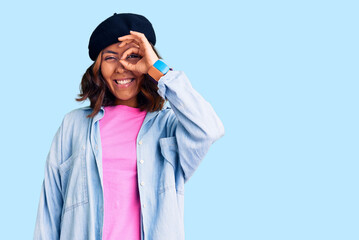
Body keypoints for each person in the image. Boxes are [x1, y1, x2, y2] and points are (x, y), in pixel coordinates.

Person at [34, 13, 224, 240]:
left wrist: (158, 68)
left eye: (133, 56)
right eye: (111, 58)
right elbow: (50, 210)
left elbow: (209, 129)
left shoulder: (167, 126)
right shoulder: (73, 126)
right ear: (97, 68)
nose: (122, 67)